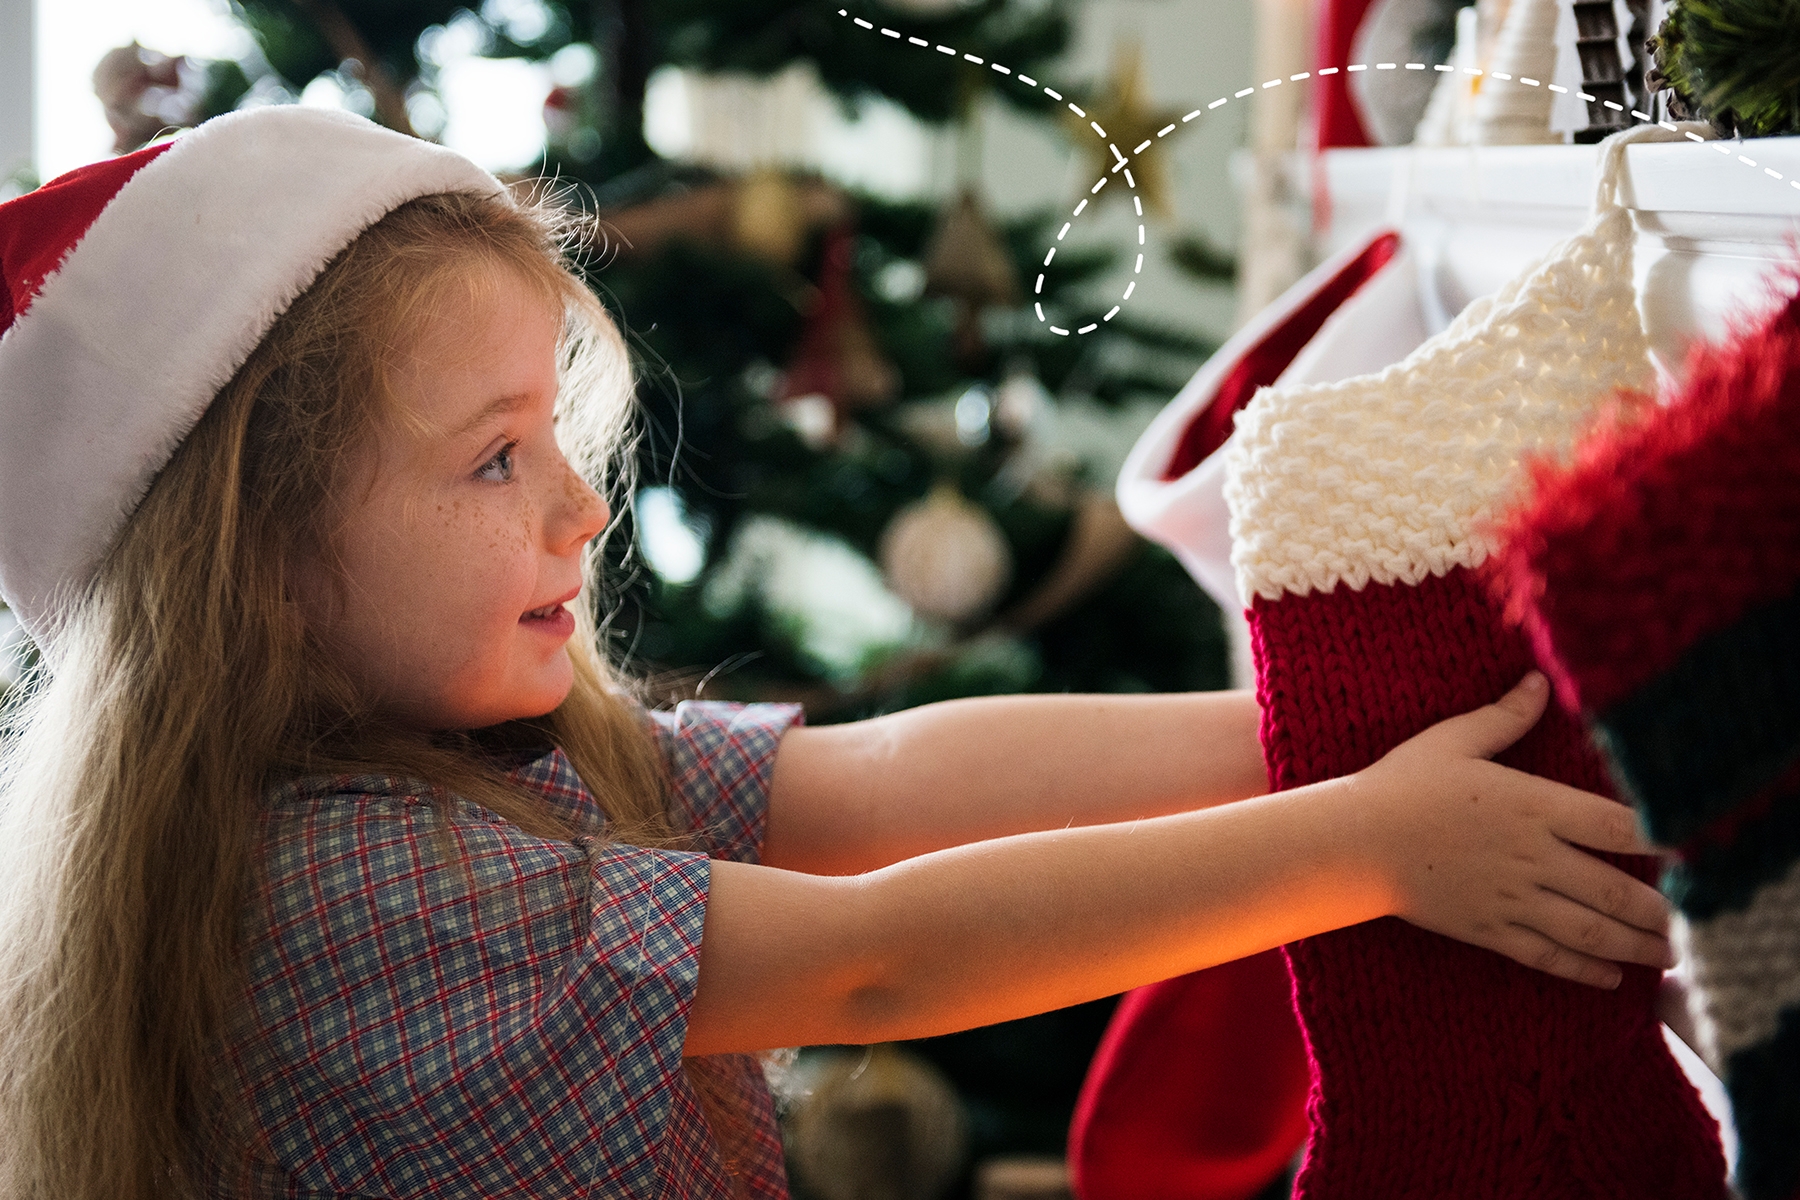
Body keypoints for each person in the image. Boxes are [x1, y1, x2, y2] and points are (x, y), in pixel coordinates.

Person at [0, 107, 1674, 1200]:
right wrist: (1366, 842)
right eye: (495, 456)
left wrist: (1338, 732)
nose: (585, 511)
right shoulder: (338, 881)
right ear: (262, 566)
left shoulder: (481, 752)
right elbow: (881, 958)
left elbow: (887, 782)